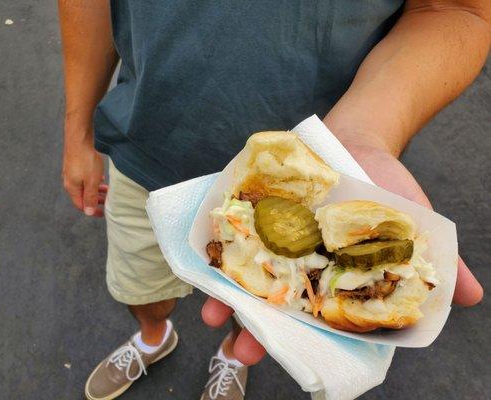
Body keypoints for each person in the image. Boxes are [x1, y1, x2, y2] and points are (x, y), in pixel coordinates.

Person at [59, 0, 488, 399]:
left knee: (249, 312)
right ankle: (153, 337)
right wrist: (78, 130)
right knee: (138, 285)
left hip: (328, 171)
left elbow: (453, 8)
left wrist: (362, 135)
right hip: (143, 153)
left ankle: (229, 353)